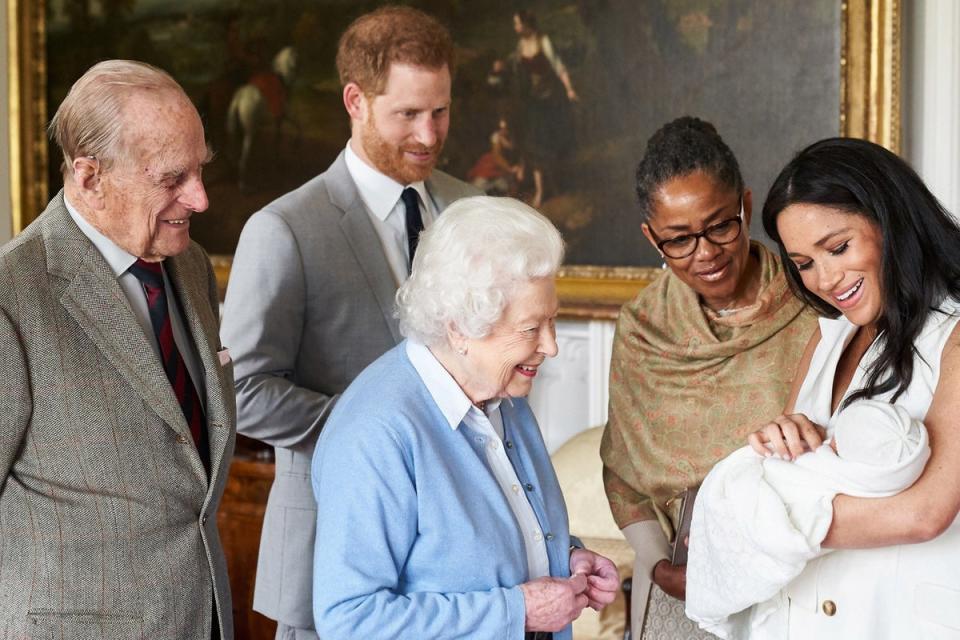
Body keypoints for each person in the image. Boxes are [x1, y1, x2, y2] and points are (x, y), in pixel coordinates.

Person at [220, 7, 478, 639]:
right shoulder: (283, 230)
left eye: (440, 111)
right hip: (332, 554)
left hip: (459, 563)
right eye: (408, 115)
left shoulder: (473, 209)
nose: (428, 134)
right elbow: (240, 393)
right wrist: (379, 427)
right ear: (355, 101)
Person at [310, 196, 619, 639]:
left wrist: (566, 559)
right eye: (531, 329)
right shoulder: (377, 433)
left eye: (553, 321)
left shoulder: (505, 394)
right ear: (459, 328)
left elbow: (475, 554)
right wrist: (518, 613)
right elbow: (351, 620)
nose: (550, 346)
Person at [0, 60, 235, 638]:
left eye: (200, 170)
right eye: (172, 178)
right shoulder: (12, 295)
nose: (199, 199)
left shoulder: (193, 267)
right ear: (89, 177)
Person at [599, 117, 817, 637]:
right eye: (679, 239)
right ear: (652, 238)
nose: (706, 253)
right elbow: (624, 474)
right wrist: (658, 565)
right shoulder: (643, 330)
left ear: (745, 204)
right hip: (682, 580)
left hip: (804, 570)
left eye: (720, 225)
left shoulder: (814, 302)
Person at [735, 137, 960, 639]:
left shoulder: (953, 337)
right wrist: (785, 437)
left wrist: (758, 518)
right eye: (804, 263)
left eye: (838, 247)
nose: (827, 278)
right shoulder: (827, 335)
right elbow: (789, 469)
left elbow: (926, 513)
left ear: (891, 219)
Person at [686, 399, 929, 638]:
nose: (828, 445)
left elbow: (783, 534)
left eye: (835, 444)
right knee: (731, 492)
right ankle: (705, 548)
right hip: (794, 593)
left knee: (740, 502)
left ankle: (707, 564)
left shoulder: (838, 483)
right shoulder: (880, 469)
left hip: (840, 594)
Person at [508, 9, 578, 208]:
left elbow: (558, 66)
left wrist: (570, 89)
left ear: (526, 24)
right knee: (534, 144)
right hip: (533, 103)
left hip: (551, 100)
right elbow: (517, 75)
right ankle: (541, 191)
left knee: (552, 143)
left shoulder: (543, 41)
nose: (515, 28)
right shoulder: (520, 46)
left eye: (517, 24)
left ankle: (558, 185)